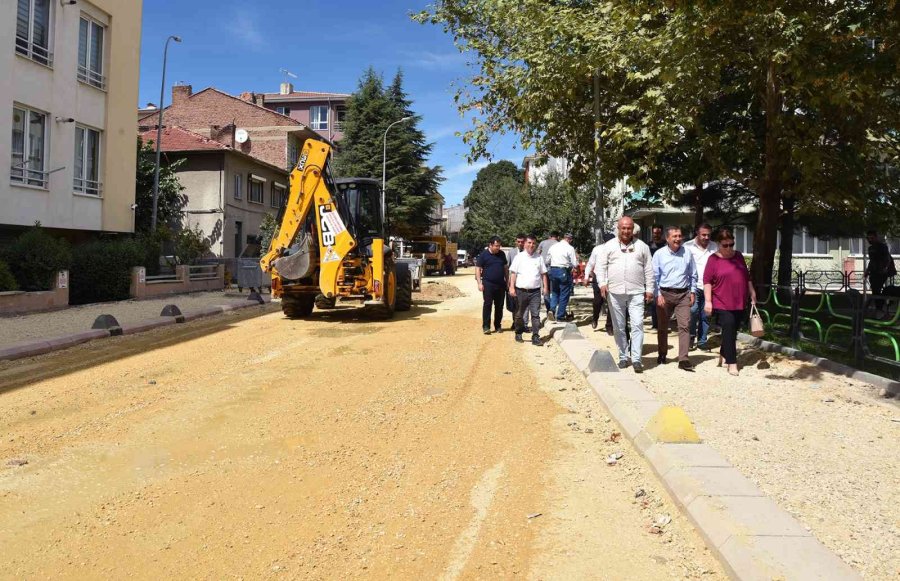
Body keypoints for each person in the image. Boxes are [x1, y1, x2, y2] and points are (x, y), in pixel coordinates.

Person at [590, 217, 654, 372]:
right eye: (623, 228)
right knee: (619, 326)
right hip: (615, 292)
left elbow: (649, 269)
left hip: (636, 291)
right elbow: (600, 267)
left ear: (633, 229)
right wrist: (602, 283)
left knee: (638, 324)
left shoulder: (642, 247)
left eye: (629, 228)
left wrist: (650, 289)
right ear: (618, 229)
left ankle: (637, 359)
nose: (626, 231)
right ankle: (623, 356)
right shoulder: (609, 246)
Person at [703, 229, 757, 376]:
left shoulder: (738, 255)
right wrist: (708, 301)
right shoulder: (713, 259)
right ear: (718, 244)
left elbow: (747, 277)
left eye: (731, 244)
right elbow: (707, 281)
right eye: (725, 245)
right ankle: (732, 363)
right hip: (721, 301)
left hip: (740, 299)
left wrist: (752, 292)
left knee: (732, 331)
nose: (729, 248)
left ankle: (723, 353)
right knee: (728, 327)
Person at [652, 226, 698, 370]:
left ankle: (683, 359)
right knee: (663, 326)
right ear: (667, 238)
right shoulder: (659, 254)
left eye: (680, 236)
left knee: (684, 325)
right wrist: (657, 294)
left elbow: (693, 274)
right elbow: (654, 277)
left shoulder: (687, 253)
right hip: (664, 294)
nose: (678, 239)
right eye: (675, 236)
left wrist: (693, 292)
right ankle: (662, 353)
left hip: (683, 294)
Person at [509, 234, 549, 346]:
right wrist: (511, 287)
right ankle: (518, 332)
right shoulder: (519, 257)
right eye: (529, 243)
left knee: (535, 315)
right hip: (521, 291)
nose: (531, 245)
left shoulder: (539, 258)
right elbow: (513, 273)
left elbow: (544, 274)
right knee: (519, 314)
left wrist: (545, 287)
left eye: (533, 243)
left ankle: (535, 336)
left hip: (535, 291)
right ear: (525, 244)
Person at [684, 223, 717, 351]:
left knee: (706, 314)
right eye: (703, 234)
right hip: (693, 285)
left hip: (710, 287)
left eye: (708, 235)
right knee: (692, 312)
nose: (706, 237)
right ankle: (691, 338)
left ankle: (702, 341)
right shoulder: (687, 246)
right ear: (697, 233)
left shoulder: (715, 247)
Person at [475, 236, 508, 334]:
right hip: (488, 284)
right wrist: (479, 283)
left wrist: (508, 281)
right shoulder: (484, 255)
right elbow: (477, 268)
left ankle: (498, 326)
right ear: (490, 245)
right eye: (496, 246)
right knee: (487, 305)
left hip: (501, 284)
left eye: (499, 246)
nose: (498, 248)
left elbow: (505, 268)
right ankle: (486, 326)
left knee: (499, 306)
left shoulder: (502, 254)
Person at [547, 233, 578, 321]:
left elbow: (547, 260)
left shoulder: (553, 247)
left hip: (553, 270)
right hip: (563, 271)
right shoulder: (570, 248)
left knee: (555, 292)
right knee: (564, 294)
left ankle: (552, 310)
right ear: (570, 240)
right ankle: (560, 316)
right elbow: (574, 263)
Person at [865, 230, 896, 314]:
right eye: (868, 238)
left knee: (876, 288)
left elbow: (887, 259)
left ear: (876, 237)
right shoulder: (870, 248)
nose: (870, 240)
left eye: (872, 238)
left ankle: (879, 307)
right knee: (875, 289)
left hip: (882, 272)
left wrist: (884, 269)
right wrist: (867, 271)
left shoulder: (882, 247)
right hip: (874, 271)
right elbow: (872, 261)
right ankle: (879, 307)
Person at [506, 234, 532, 331]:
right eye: (518, 241)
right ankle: (516, 322)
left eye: (522, 241)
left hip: (525, 283)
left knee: (526, 304)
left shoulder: (529, 253)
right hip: (514, 282)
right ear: (516, 242)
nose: (520, 243)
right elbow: (507, 267)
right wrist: (508, 282)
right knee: (514, 304)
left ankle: (524, 325)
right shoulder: (512, 252)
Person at [647, 225, 665, 330]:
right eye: (655, 233)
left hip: (664, 275)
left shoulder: (665, 245)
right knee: (654, 301)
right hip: (652, 275)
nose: (656, 235)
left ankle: (662, 322)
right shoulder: (648, 246)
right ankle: (655, 323)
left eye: (658, 233)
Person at [537, 231, 560, 312]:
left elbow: (538, 254)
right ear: (558, 237)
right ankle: (553, 309)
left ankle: (548, 309)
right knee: (555, 290)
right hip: (554, 269)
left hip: (543, 269)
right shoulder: (559, 244)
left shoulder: (542, 243)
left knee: (546, 289)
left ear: (550, 236)